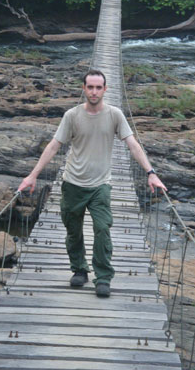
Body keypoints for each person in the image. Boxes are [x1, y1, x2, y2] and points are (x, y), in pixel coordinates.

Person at [18, 69, 167, 298]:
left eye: (99, 87)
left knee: (102, 228)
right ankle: (79, 269)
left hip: (100, 185)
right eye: (90, 87)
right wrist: (33, 175)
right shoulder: (72, 116)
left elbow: (132, 144)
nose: (94, 92)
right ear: (84, 89)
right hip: (72, 183)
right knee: (73, 232)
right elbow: (54, 146)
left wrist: (151, 172)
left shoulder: (115, 115)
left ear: (106, 89)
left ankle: (103, 277)